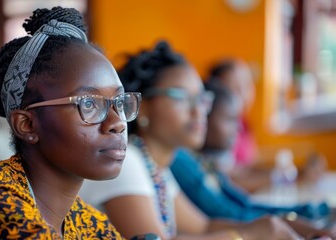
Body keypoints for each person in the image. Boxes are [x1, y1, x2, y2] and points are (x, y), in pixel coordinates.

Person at [0, 7, 142, 239]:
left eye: (119, 102)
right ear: (26, 124)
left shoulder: (89, 223)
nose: (117, 122)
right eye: (88, 104)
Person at [79, 41, 318, 239]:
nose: (199, 111)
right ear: (143, 108)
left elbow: (203, 227)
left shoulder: (156, 168)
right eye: (182, 97)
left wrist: (274, 224)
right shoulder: (127, 162)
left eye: (202, 99)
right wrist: (246, 235)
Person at [170, 82, 332, 230]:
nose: (199, 115)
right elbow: (231, 214)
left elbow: (242, 203)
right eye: (229, 120)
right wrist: (301, 220)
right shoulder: (180, 160)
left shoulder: (199, 160)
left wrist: (311, 212)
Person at [206, 58, 327, 193]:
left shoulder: (243, 124)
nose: (242, 93)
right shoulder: (216, 129)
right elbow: (228, 179)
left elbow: (248, 166)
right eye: (234, 87)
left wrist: (295, 170)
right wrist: (288, 177)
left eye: (246, 85)